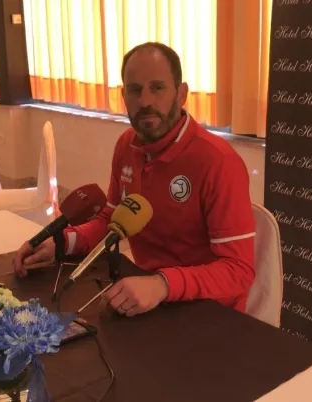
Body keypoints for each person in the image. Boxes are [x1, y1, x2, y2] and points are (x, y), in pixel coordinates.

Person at [14, 42, 256, 317]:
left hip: (208, 313)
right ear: (123, 95)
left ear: (181, 94)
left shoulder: (218, 161)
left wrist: (163, 284)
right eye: (135, 90)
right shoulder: (126, 145)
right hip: (145, 296)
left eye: (157, 88)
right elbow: (111, 219)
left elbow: (239, 270)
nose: (145, 102)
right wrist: (61, 243)